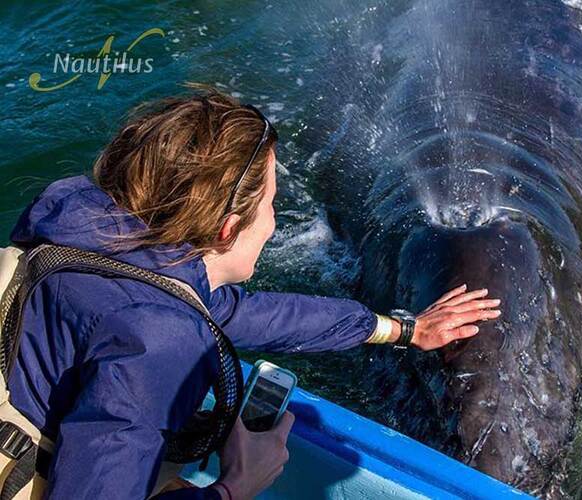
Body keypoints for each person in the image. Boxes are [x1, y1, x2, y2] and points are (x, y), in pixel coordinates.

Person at [5, 86, 501, 499]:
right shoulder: (155, 344)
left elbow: (260, 316)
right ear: (227, 228)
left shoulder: (83, 243)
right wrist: (235, 486)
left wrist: (402, 328)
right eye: (269, 204)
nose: (272, 222)